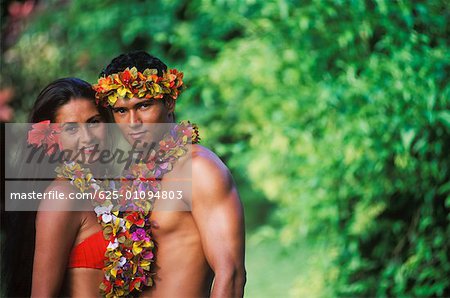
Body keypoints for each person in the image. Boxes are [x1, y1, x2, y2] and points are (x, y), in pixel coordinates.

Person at [95, 51, 246, 297]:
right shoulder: (134, 173)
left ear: (169, 102)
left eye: (143, 105)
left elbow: (231, 274)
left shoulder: (199, 168)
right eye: (121, 111)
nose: (133, 122)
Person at [27, 78, 111, 296]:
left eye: (94, 122)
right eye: (71, 128)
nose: (87, 138)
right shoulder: (61, 196)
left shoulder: (105, 187)